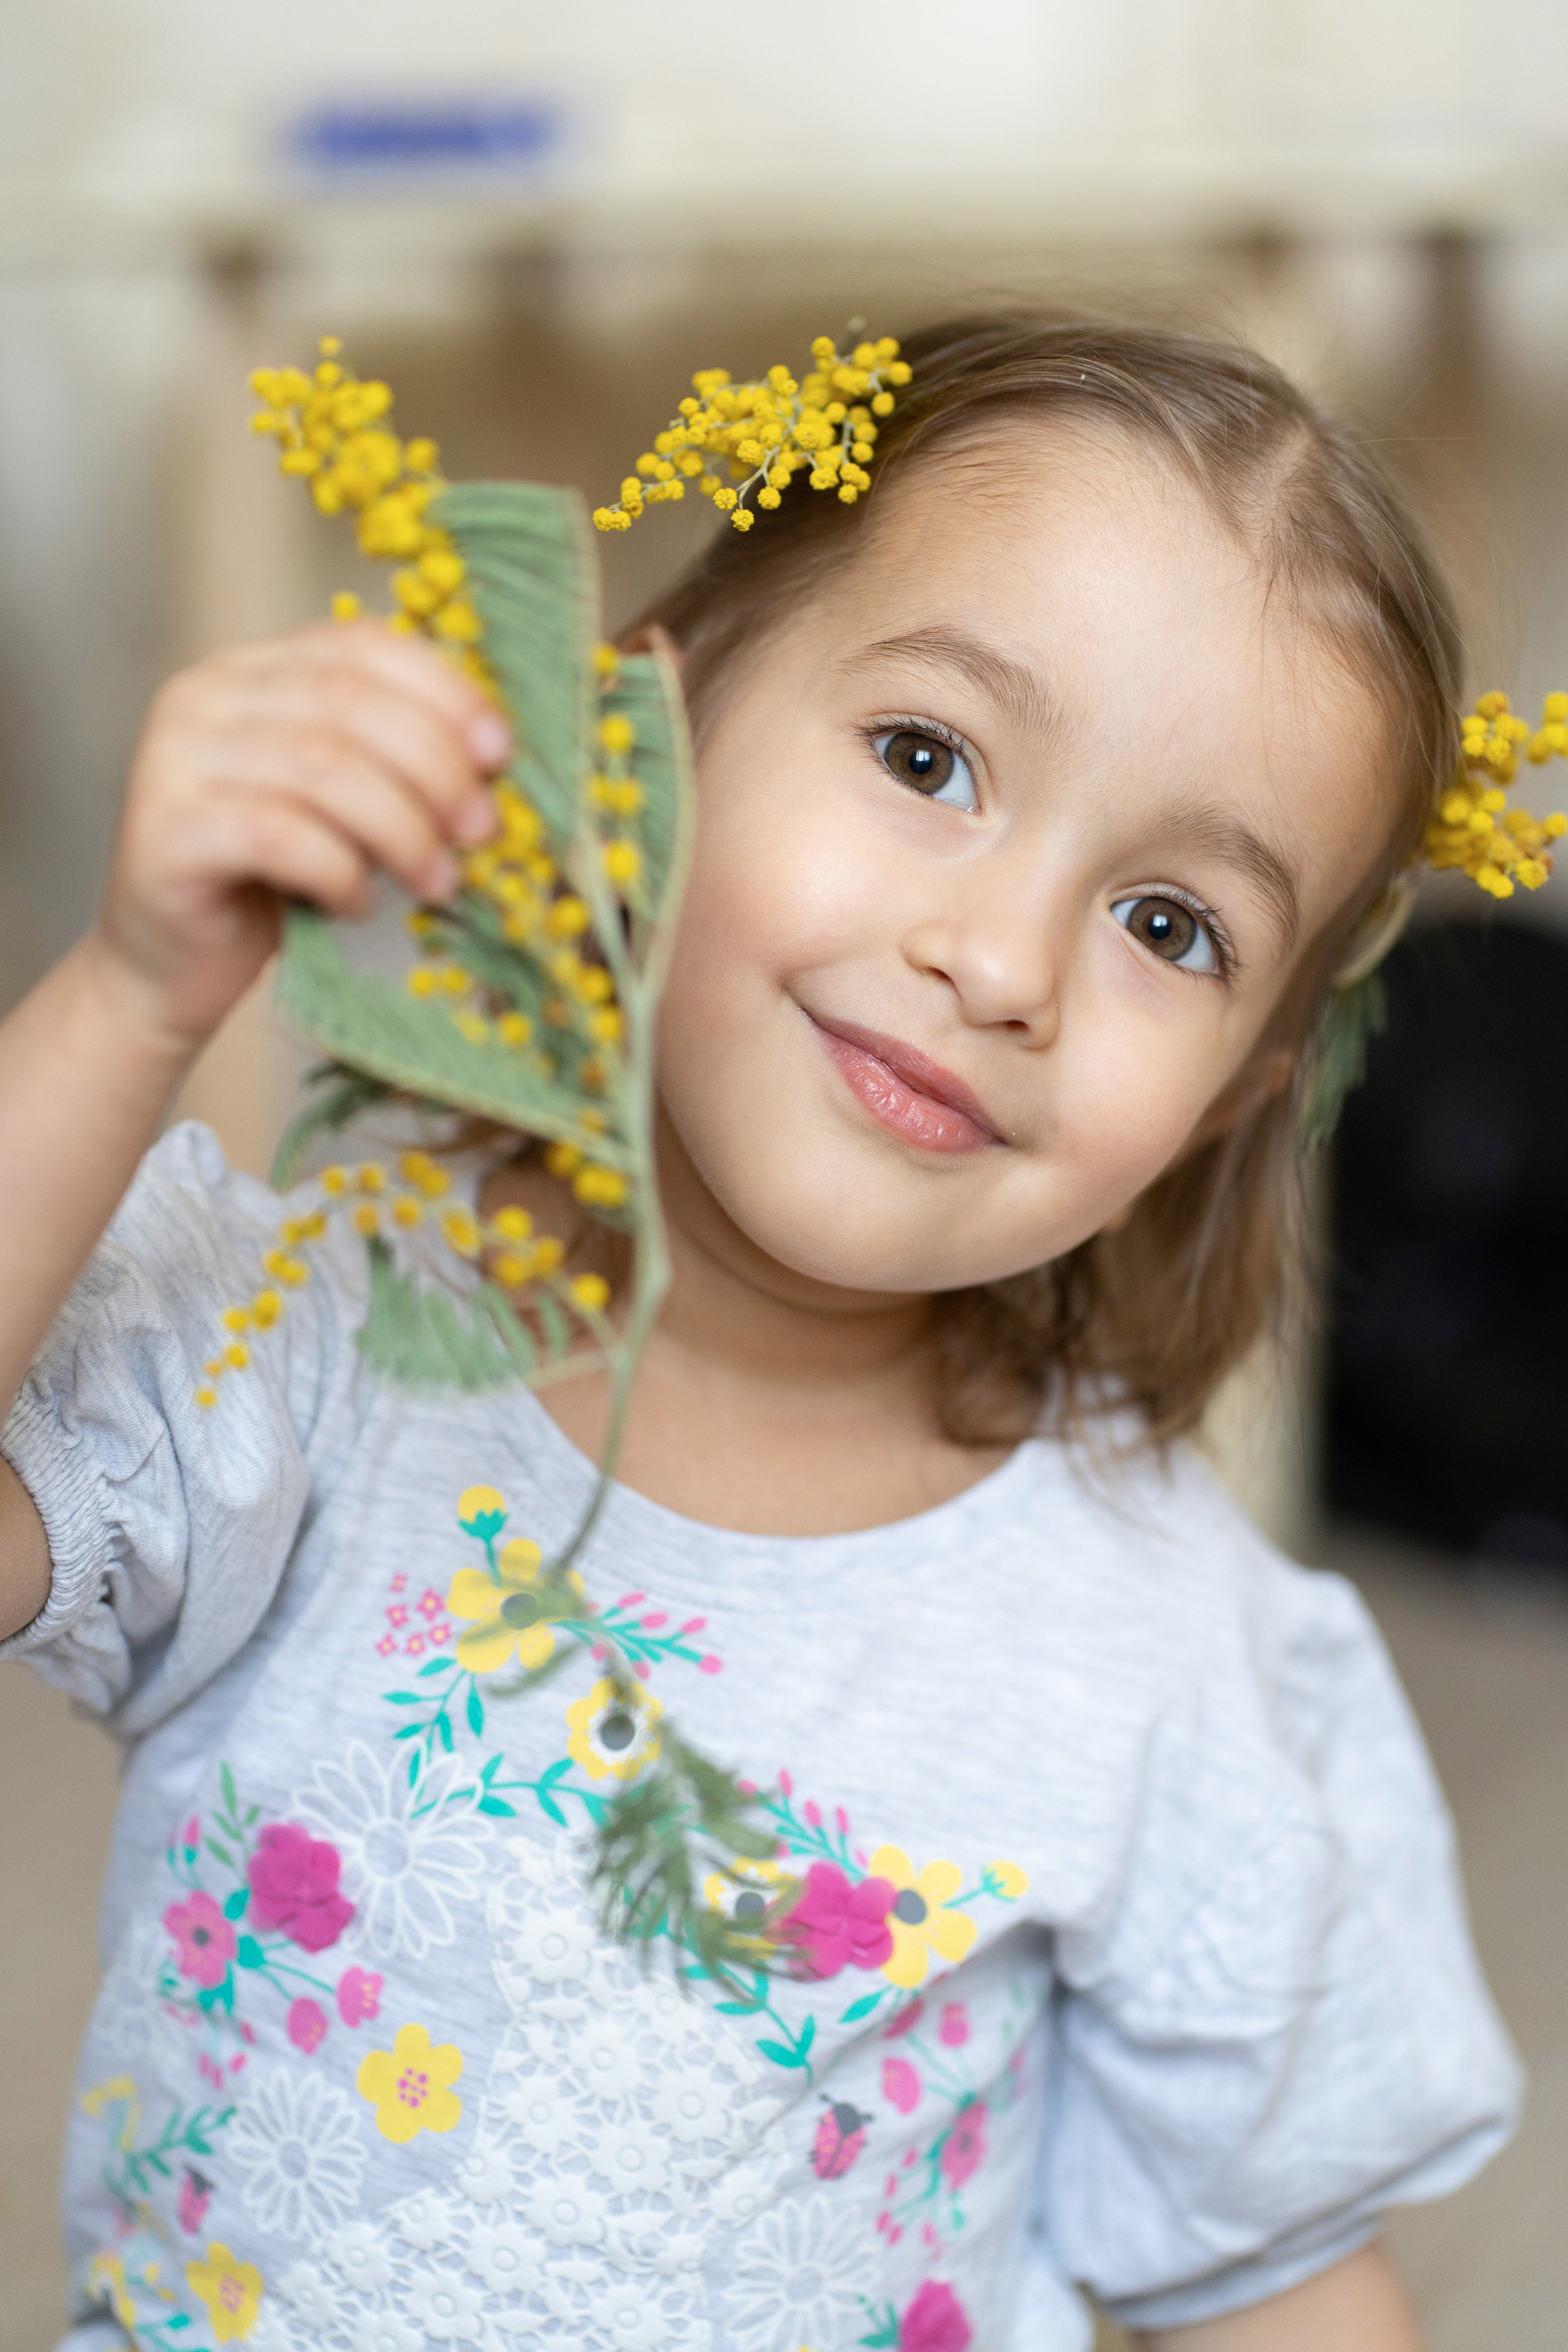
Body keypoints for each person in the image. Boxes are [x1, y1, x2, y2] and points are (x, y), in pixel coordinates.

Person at [0, 312, 1522, 2352]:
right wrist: (128, 996)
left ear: (1240, 1093)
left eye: (1172, 927)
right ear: (648, 744)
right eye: (928, 759)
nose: (999, 962)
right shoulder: (297, 1350)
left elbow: (1280, 2288)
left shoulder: (1165, 1646)